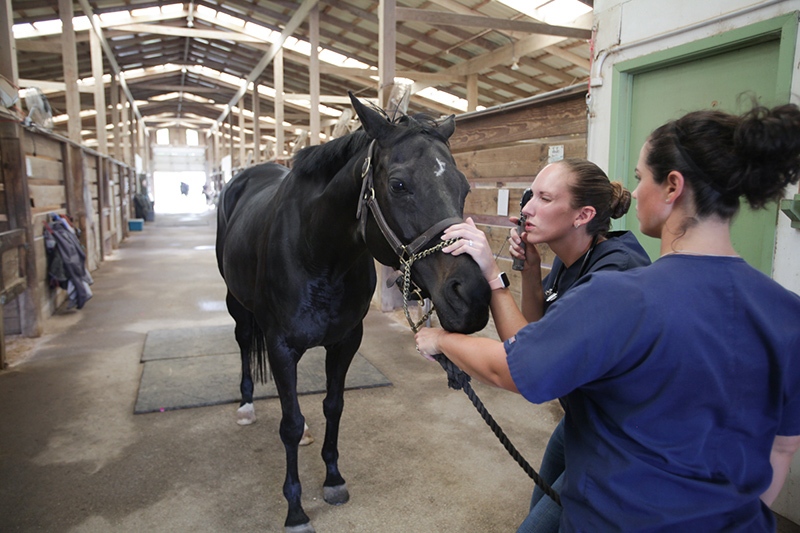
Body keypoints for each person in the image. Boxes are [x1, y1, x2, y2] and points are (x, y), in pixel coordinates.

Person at [415, 103, 800, 531]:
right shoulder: (788, 313)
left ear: (672, 186)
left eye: (640, 178)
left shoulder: (620, 293)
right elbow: (782, 449)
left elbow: (514, 368)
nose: (634, 193)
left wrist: (442, 340)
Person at [438, 158, 650, 532]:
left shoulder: (612, 274)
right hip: (583, 419)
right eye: (530, 195)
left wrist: (445, 334)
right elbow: (534, 331)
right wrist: (532, 269)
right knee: (540, 504)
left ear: (583, 215)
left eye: (545, 198)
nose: (527, 209)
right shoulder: (573, 261)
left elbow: (527, 363)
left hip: (621, 443)